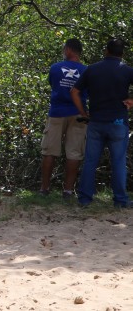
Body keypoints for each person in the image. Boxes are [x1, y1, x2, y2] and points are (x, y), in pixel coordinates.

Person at [70, 38, 133, 208]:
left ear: (106, 51)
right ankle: (120, 200)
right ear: (122, 54)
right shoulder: (127, 71)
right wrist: (130, 100)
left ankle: (84, 199)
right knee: (119, 162)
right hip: (118, 123)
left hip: (96, 122)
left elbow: (74, 91)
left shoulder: (92, 69)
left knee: (90, 161)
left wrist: (84, 112)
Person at [39, 39, 87, 198]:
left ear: (68, 50)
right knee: (74, 152)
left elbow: (53, 85)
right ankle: (67, 190)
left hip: (57, 113)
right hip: (79, 114)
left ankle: (45, 189)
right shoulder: (86, 71)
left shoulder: (56, 68)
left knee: (49, 151)